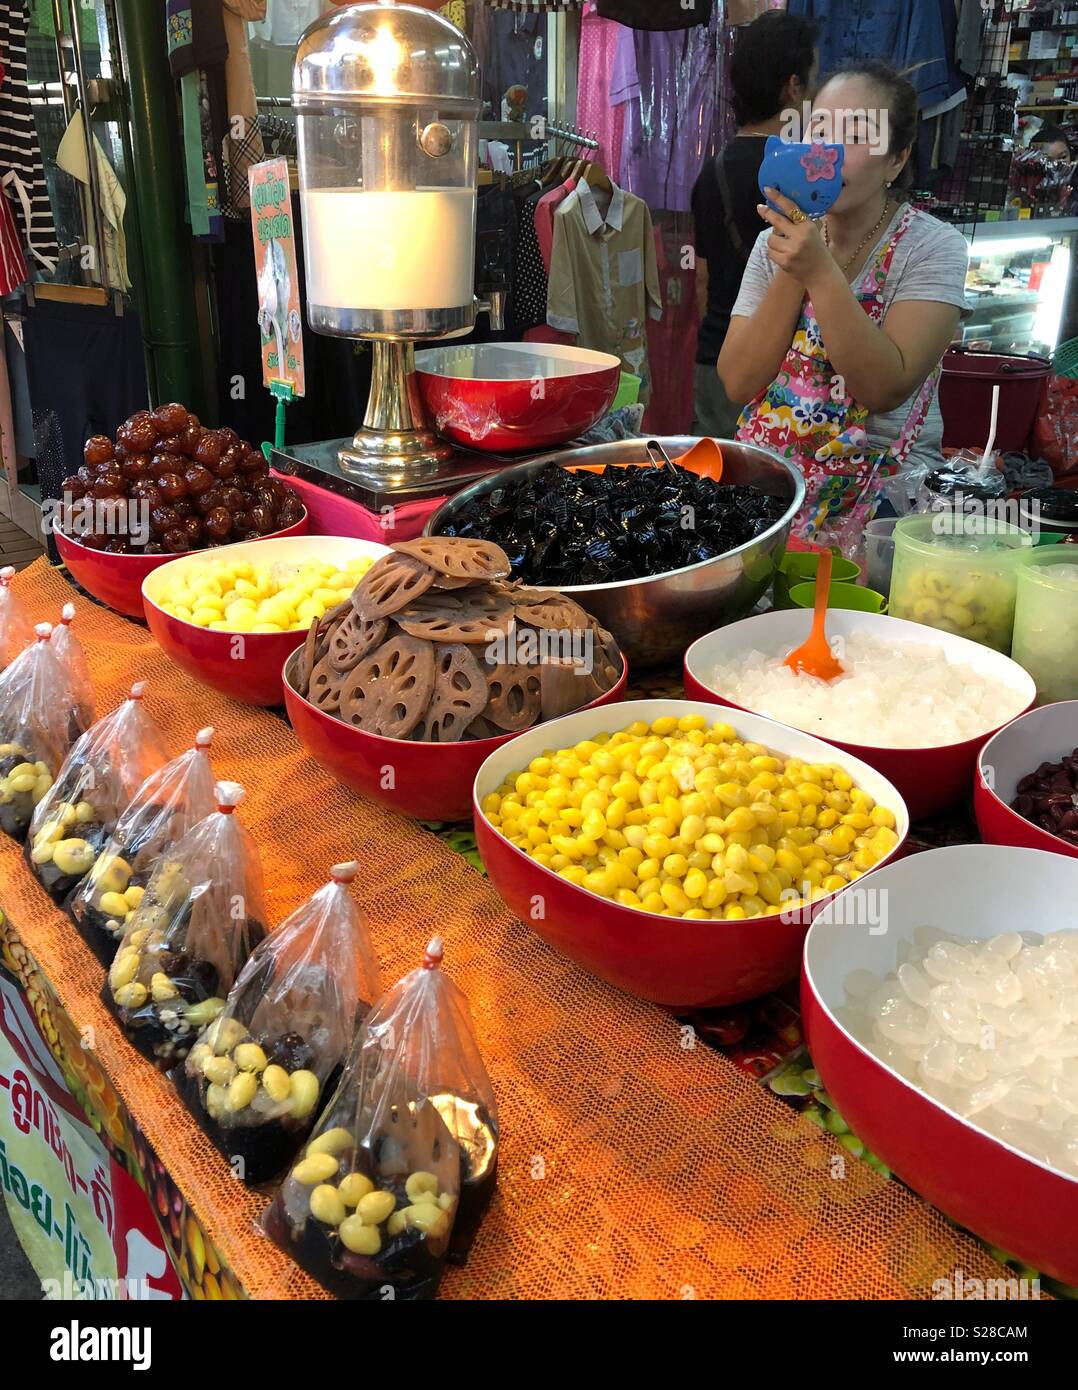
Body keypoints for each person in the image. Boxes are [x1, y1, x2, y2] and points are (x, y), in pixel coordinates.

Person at [720, 61, 969, 542]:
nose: (828, 152)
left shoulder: (933, 247)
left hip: (880, 506)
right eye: (819, 131)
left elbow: (883, 387)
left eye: (855, 136)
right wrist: (797, 264)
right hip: (774, 490)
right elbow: (737, 380)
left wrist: (819, 270)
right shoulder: (773, 243)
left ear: (896, 159)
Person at [691, 11, 818, 438]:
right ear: (793, 86)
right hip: (788, 368)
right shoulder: (810, 174)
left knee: (718, 490)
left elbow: (703, 283)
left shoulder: (712, 172)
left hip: (715, 357)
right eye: (812, 82)